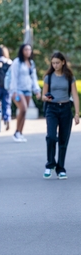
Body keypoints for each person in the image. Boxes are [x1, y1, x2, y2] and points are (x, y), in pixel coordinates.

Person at [42, 52, 79, 180]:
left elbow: (75, 96)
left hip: (66, 109)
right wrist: (46, 97)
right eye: (53, 63)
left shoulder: (69, 77)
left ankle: (61, 168)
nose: (55, 65)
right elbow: (43, 95)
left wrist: (77, 114)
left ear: (63, 62)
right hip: (52, 109)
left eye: (57, 62)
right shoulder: (49, 77)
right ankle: (50, 164)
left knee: (63, 140)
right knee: (51, 137)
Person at [9, 44, 41, 142]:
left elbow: (34, 78)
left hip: (28, 90)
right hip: (18, 90)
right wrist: (13, 91)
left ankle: (20, 133)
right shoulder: (17, 62)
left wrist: (37, 90)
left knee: (24, 112)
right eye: (26, 49)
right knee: (23, 109)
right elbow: (13, 77)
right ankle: (16, 132)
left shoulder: (31, 63)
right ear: (22, 51)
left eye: (29, 50)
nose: (28, 51)